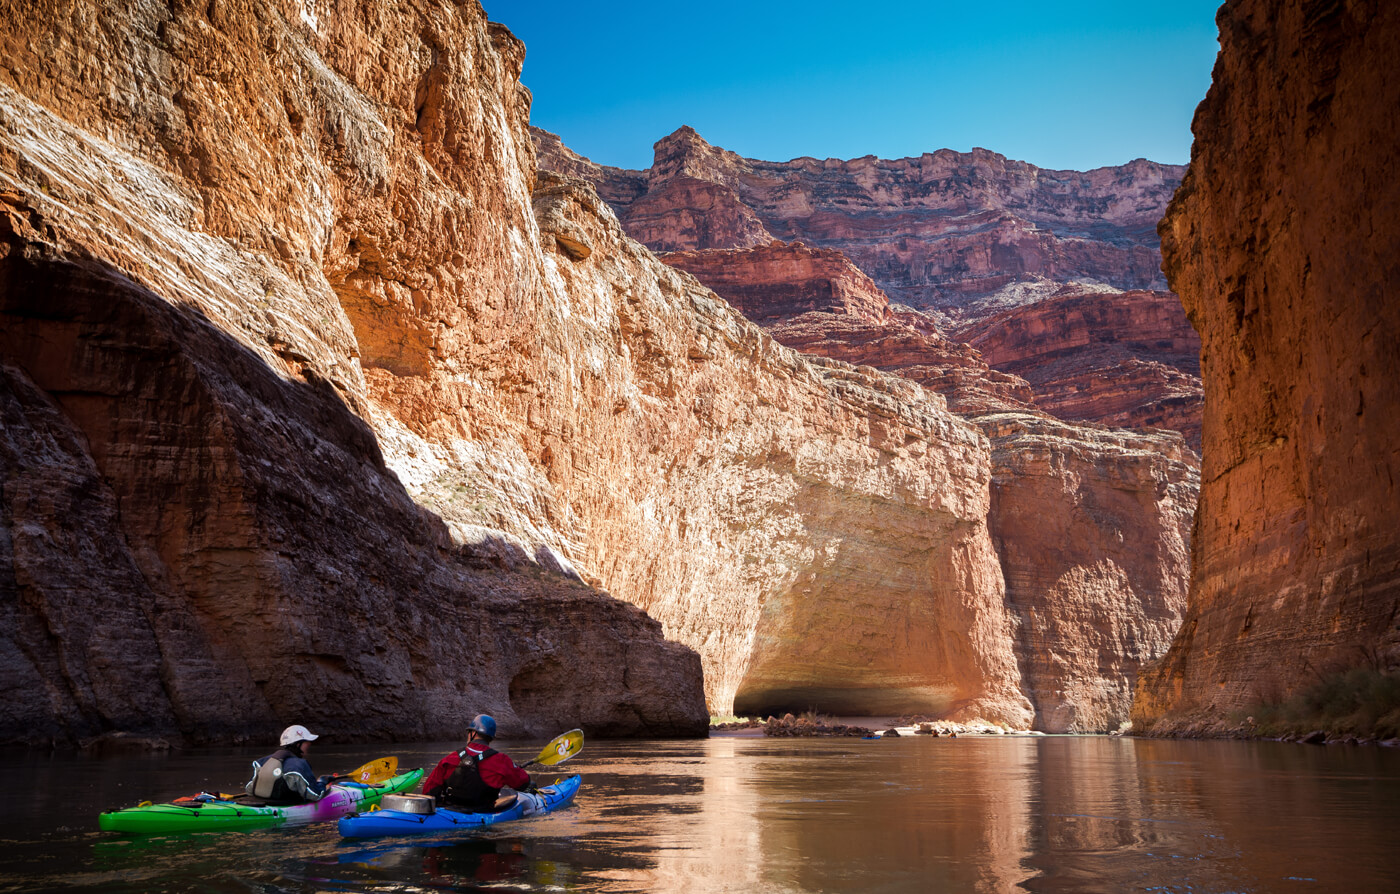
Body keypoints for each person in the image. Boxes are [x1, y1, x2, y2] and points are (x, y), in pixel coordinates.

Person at [423, 714, 542, 814]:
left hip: (450, 812)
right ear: (490, 738)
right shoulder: (501, 760)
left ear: (473, 733)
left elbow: (428, 791)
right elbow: (522, 783)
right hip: (483, 812)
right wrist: (529, 784)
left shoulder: (450, 758)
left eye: (469, 732)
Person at [245, 724, 330, 804]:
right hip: (281, 805)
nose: (309, 744)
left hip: (260, 802)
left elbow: (249, 790)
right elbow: (315, 795)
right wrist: (322, 782)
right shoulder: (299, 765)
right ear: (298, 744)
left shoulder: (261, 761)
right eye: (306, 742)